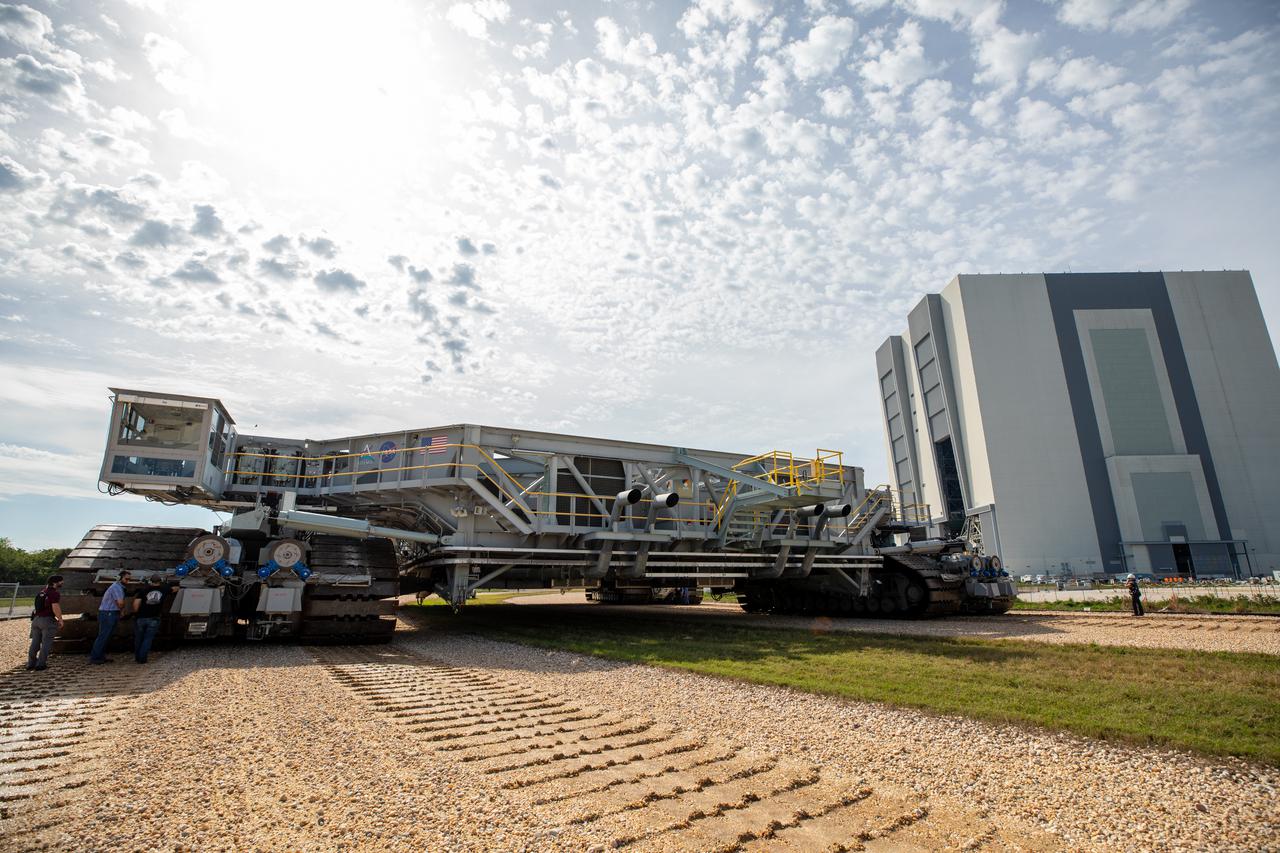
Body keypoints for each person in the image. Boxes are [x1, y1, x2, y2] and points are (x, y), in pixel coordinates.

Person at [89, 570, 131, 664]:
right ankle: (95, 658)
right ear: (120, 578)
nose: (128, 581)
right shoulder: (117, 587)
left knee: (106, 636)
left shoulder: (118, 587)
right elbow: (119, 602)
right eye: (126, 579)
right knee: (103, 636)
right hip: (109, 613)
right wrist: (122, 610)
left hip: (109, 613)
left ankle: (100, 656)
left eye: (129, 579)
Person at [131, 575, 174, 664]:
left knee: (139, 638)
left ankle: (137, 657)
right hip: (154, 618)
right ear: (160, 580)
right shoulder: (164, 589)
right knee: (148, 639)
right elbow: (174, 589)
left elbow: (136, 604)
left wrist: (136, 613)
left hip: (141, 617)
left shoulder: (143, 590)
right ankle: (142, 658)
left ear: (150, 581)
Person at [26, 574, 64, 671]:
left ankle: (31, 663)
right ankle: (41, 664)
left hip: (36, 620)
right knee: (46, 643)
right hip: (47, 620)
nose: (62, 583)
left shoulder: (42, 592)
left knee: (35, 642)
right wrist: (60, 619)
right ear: (55, 583)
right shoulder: (54, 593)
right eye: (61, 581)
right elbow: (55, 607)